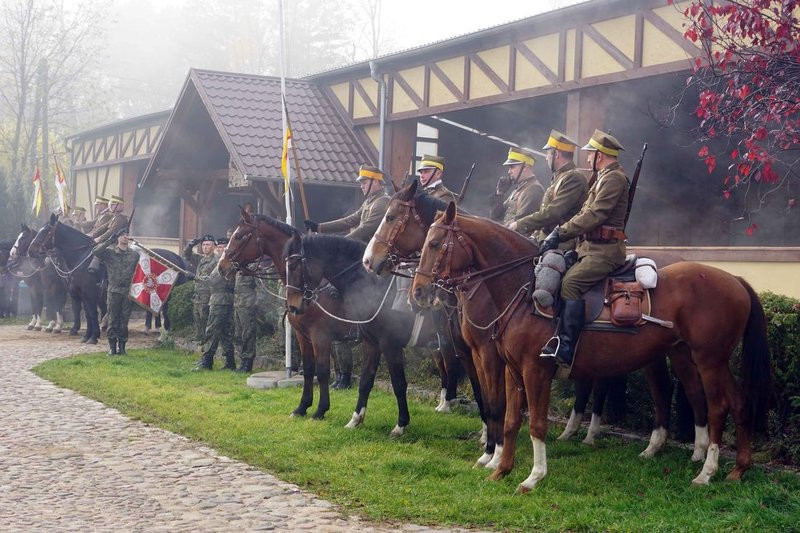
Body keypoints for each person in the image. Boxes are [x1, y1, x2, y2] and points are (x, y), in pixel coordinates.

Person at [538, 129, 629, 366]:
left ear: (600, 155)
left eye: (590, 154)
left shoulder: (614, 179)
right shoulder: (602, 178)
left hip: (605, 252)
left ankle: (567, 348)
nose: (587, 158)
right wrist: (561, 233)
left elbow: (595, 215)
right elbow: (583, 212)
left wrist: (562, 232)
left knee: (571, 284)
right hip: (589, 248)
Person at [510, 130, 589, 248]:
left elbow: (554, 212)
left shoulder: (573, 178)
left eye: (548, 154)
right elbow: (545, 213)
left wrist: (519, 224)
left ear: (556, 154)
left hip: (562, 243)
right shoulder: (559, 177)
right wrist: (534, 236)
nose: (546, 158)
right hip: (547, 239)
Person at [304, 164, 390, 243]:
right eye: (361, 184)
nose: (361, 186)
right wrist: (319, 227)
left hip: (374, 252)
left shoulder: (382, 202)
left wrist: (342, 241)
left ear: (375, 182)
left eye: (364, 183)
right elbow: (350, 220)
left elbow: (365, 229)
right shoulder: (370, 201)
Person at [92, 228, 139, 355]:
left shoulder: (134, 255)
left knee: (124, 321)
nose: (125, 237)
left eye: (126, 235)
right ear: (117, 238)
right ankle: (112, 348)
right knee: (112, 320)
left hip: (127, 292)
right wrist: (108, 241)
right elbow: (96, 251)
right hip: (113, 291)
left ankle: (122, 347)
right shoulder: (110, 253)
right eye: (122, 235)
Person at [195, 238, 235, 371]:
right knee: (225, 333)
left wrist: (194, 277)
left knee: (212, 331)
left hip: (220, 300)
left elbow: (212, 280)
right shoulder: (223, 262)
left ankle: (207, 361)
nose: (219, 250)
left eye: (222, 247)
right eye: (218, 247)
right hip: (223, 300)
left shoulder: (225, 264)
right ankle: (230, 362)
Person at [489, 147, 545, 228]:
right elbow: (496, 217)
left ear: (525, 167)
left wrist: (498, 230)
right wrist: (500, 193)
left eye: (512, 167)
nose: (509, 171)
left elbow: (520, 222)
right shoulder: (519, 189)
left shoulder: (534, 189)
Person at [183, 234, 217, 343]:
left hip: (208, 295)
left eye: (208, 245)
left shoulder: (216, 261)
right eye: (203, 245)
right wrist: (190, 245)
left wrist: (195, 277)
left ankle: (207, 342)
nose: (205, 247)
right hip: (197, 295)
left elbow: (211, 279)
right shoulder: (201, 259)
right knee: (197, 318)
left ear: (213, 246)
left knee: (205, 319)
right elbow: (186, 255)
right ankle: (200, 340)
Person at [234, 266, 258, 373]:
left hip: (248, 306)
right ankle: (242, 361)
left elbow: (261, 288)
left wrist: (255, 304)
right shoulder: (238, 268)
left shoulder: (254, 268)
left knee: (248, 334)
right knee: (238, 334)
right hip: (238, 305)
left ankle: (248, 362)